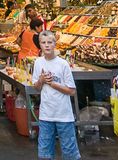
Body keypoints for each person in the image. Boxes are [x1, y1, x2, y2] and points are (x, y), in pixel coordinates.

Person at [32, 31, 80, 160]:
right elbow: (36, 88)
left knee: (69, 152)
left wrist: (52, 84)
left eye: (50, 42)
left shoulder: (63, 64)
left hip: (63, 115)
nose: (47, 45)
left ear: (55, 44)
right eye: (43, 43)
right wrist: (41, 80)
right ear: (40, 45)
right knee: (44, 152)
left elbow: (72, 91)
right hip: (46, 114)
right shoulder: (38, 63)